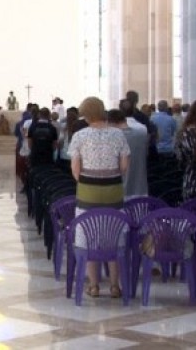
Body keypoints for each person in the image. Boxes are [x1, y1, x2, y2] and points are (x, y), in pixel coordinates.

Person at [68, 96, 130, 299]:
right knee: (113, 239)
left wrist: (88, 180)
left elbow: (75, 170)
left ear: (86, 114)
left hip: (88, 192)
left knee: (89, 238)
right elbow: (124, 166)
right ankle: (114, 286)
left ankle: (94, 286)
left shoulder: (79, 136)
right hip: (113, 192)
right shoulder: (118, 134)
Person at [109, 109, 148, 199]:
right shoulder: (142, 132)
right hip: (141, 190)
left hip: (119, 191)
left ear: (111, 123)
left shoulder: (113, 138)